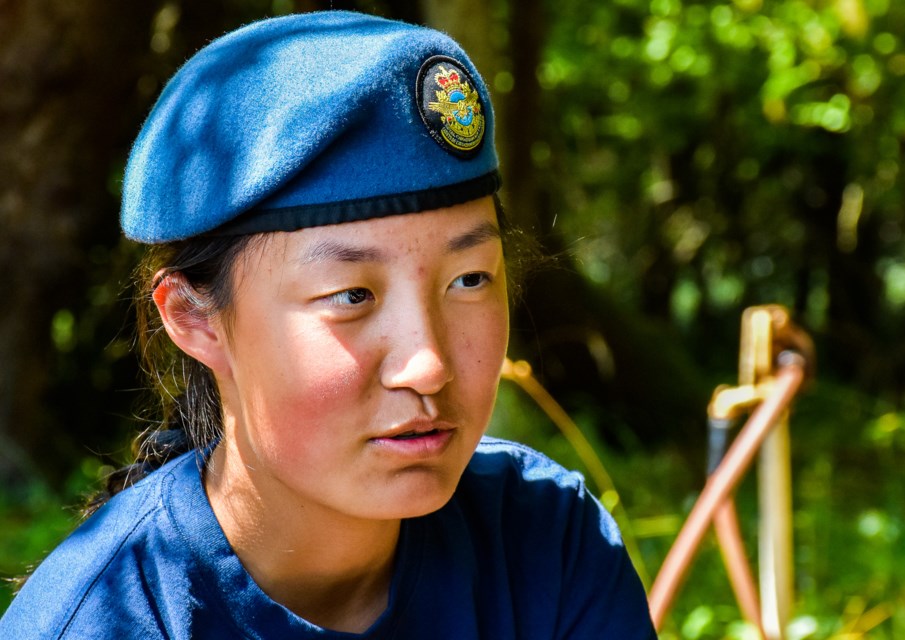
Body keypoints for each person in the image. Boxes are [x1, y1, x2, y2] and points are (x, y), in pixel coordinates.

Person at [0, 11, 656, 639]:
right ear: (196, 319)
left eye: (469, 280)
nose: (428, 363)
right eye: (351, 294)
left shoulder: (547, 545)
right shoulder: (101, 622)